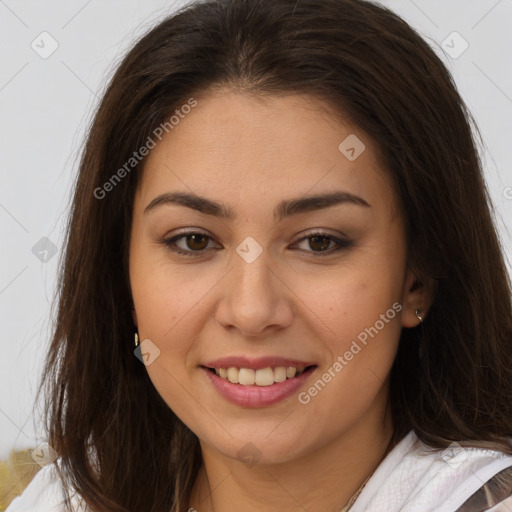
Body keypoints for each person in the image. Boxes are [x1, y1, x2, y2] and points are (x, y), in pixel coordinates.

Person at [7, 0, 512, 511]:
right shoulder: (62, 499)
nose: (251, 312)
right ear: (121, 271)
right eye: (193, 241)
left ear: (416, 279)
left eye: (319, 242)